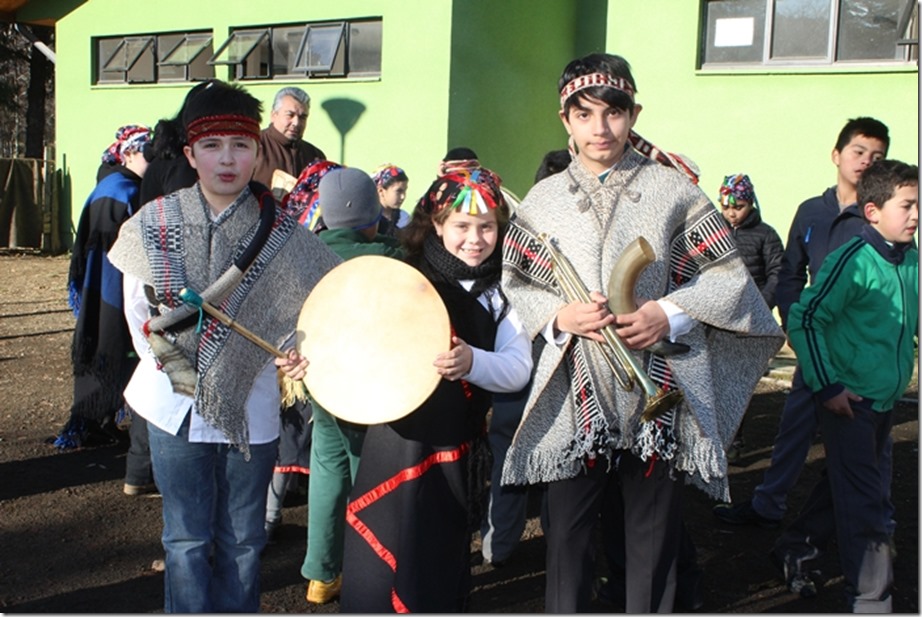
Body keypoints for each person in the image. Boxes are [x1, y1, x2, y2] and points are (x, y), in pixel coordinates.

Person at [500, 52, 784, 612]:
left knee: (652, 549)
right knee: (568, 546)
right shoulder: (543, 199)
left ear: (634, 113)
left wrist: (670, 311)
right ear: (565, 119)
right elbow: (518, 283)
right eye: (584, 114)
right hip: (572, 398)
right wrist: (559, 318)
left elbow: (729, 280)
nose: (599, 128)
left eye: (614, 112)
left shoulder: (675, 191)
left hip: (660, 395)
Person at [108, 80, 342, 613]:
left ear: (257, 149)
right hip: (174, 407)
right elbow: (138, 315)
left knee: (243, 541)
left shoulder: (286, 235)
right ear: (190, 153)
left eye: (240, 145)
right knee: (186, 541)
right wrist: (181, 372)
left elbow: (314, 312)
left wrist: (297, 350)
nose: (227, 159)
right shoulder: (154, 224)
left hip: (253, 403)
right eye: (212, 146)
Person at [339, 165, 533, 612]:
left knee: (435, 558)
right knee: (383, 556)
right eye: (462, 225)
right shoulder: (404, 279)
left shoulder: (504, 292)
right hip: (394, 441)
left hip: (452, 448)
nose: (476, 238)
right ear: (437, 224)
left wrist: (473, 362)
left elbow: (517, 368)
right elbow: (353, 341)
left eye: (487, 227)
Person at [712, 118, 891, 578]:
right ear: (837, 155)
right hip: (813, 346)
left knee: (869, 444)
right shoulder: (811, 211)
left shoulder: (881, 216)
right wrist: (791, 318)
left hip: (858, 356)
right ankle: (769, 503)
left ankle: (877, 524)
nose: (866, 161)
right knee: (794, 427)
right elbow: (791, 272)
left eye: (876, 154)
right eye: (858, 151)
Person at [773, 159, 918, 612]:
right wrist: (828, 385)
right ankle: (871, 600)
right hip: (848, 400)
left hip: (884, 398)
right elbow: (807, 318)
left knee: (849, 481)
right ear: (872, 211)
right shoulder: (852, 261)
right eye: (908, 206)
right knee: (867, 501)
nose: (916, 216)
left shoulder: (909, 258)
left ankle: (797, 545)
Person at [300, 167, 405, 605]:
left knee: (326, 470)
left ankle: (321, 575)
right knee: (372, 475)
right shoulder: (394, 257)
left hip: (321, 381)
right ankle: (373, 568)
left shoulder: (306, 254)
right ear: (372, 212)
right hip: (375, 386)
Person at [54, 125, 152, 467]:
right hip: (110, 287)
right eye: (146, 153)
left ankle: (101, 420)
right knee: (107, 348)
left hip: (106, 285)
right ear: (127, 154)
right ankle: (90, 423)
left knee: (108, 349)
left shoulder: (116, 186)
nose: (151, 161)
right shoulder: (120, 190)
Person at [717, 173, 784, 462]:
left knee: (740, 381)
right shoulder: (713, 232)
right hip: (717, 316)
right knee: (715, 380)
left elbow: (778, 273)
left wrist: (762, 305)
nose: (732, 212)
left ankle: (735, 440)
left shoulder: (766, 235)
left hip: (749, 320)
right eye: (726, 206)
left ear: (751, 204)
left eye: (739, 206)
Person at [252, 86, 325, 188]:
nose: (296, 123)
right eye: (290, 115)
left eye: (302, 117)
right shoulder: (253, 146)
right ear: (273, 115)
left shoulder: (315, 156)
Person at [371, 163, 410, 237]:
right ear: (381, 191)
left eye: (405, 190)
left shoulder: (404, 218)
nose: (403, 196)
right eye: (398, 191)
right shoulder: (369, 220)